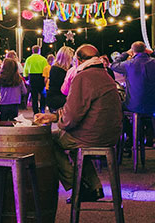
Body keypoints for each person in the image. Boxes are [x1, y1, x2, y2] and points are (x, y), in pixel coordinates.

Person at [34, 44, 122, 201]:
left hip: (91, 136)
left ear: (79, 61)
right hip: (110, 135)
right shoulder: (106, 75)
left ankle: (77, 186)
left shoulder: (83, 77)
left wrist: (59, 122)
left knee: (48, 140)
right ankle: (95, 187)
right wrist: (54, 117)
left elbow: (71, 119)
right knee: (72, 144)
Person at [110, 41, 155, 115]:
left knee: (119, 106)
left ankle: (130, 126)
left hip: (134, 106)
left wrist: (125, 54)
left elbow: (113, 65)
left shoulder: (128, 64)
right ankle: (153, 125)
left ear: (132, 51)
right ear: (145, 50)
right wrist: (152, 53)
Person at [46, 46, 74, 113]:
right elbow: (64, 87)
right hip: (57, 99)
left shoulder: (56, 68)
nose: (72, 60)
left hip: (56, 98)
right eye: (71, 57)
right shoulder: (57, 70)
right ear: (66, 58)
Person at [23, 45, 49, 114]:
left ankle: (35, 111)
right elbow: (45, 69)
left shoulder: (28, 59)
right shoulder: (43, 59)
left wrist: (26, 78)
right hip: (41, 78)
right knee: (43, 95)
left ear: (32, 51)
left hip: (32, 78)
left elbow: (25, 70)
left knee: (34, 96)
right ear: (39, 51)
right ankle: (42, 109)